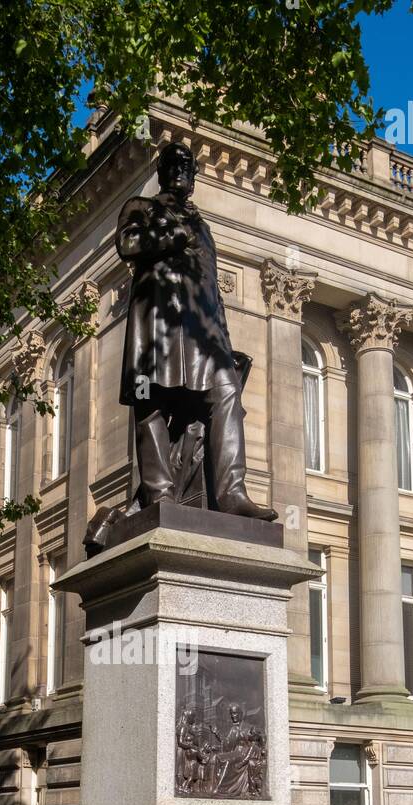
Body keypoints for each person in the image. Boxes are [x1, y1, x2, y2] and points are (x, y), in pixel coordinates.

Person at [116, 142, 277, 522]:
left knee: (226, 393)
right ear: (161, 171)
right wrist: (171, 238)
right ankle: (160, 494)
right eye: (173, 164)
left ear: (195, 175)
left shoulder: (202, 226)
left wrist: (224, 340)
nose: (180, 171)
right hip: (156, 325)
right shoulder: (142, 207)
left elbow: (211, 289)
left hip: (202, 334)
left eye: (187, 166)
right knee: (150, 401)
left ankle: (231, 492)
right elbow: (128, 244)